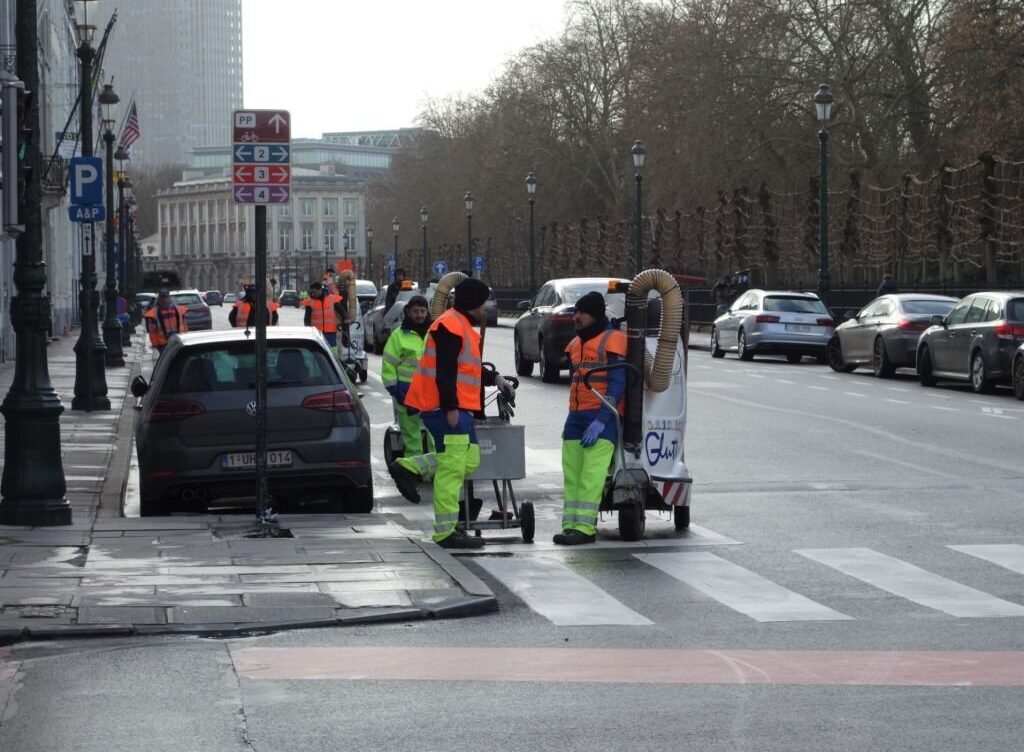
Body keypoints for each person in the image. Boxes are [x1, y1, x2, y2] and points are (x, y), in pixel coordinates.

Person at [404, 278, 496, 549]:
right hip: (446, 408)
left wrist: (494, 378)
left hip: (456, 408)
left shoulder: (461, 324)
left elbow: (465, 368)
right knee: (453, 469)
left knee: (468, 460)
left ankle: (411, 467)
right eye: (485, 302)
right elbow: (446, 371)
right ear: (476, 304)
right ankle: (446, 532)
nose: (487, 307)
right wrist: (451, 407)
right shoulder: (451, 325)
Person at [554, 291, 628, 545]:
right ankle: (570, 525)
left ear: (594, 314)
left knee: (591, 476)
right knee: (572, 474)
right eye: (575, 312)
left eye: (580, 313)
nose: (575, 317)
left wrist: (601, 421)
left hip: (601, 418)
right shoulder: (575, 344)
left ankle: (584, 529)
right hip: (575, 418)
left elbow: (618, 385)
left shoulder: (612, 340)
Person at [384, 296, 436, 499]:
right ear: (407, 312)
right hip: (406, 392)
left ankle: (432, 473)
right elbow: (389, 366)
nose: (420, 315)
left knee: (435, 434)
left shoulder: (434, 333)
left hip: (431, 392)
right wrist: (396, 391)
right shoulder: (398, 336)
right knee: (411, 436)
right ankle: (412, 474)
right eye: (416, 311)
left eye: (423, 311)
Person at [301, 280, 346, 348]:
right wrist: (308, 330)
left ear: (320, 290)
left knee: (332, 350)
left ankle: (333, 359)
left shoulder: (331, 298)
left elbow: (340, 310)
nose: (313, 294)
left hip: (330, 332)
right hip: (316, 332)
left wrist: (346, 318)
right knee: (318, 350)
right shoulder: (310, 302)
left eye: (314, 292)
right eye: (312, 292)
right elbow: (307, 318)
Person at [143, 289, 189, 355]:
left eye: (166, 297)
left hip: (178, 342)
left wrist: (185, 339)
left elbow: (185, 326)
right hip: (163, 345)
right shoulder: (153, 314)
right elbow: (152, 331)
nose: (164, 300)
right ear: (159, 299)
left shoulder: (179, 310)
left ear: (169, 298)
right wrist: (156, 344)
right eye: (162, 298)